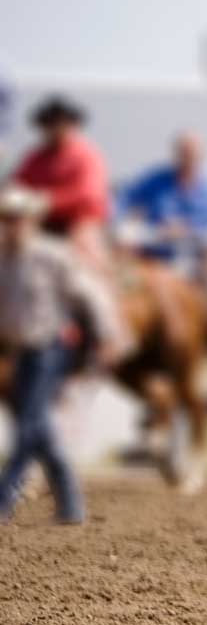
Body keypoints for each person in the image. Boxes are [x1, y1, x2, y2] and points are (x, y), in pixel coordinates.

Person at [0, 186, 121, 524]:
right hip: (22, 351)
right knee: (39, 427)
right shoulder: (3, 258)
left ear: (31, 221)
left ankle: (3, 500)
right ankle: (70, 503)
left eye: (16, 218)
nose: (10, 225)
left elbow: (91, 296)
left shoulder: (52, 256)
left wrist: (107, 336)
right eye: (6, 218)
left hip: (50, 349)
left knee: (27, 426)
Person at [12, 96, 112, 268]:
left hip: (78, 220)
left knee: (85, 254)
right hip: (39, 221)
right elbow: (18, 185)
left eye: (59, 123)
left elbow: (88, 193)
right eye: (49, 124)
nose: (54, 129)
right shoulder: (34, 157)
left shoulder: (86, 155)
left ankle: (92, 288)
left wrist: (48, 200)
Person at [118, 132, 207, 263]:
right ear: (176, 154)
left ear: (201, 157)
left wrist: (185, 228)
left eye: (192, 155)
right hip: (152, 255)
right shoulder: (156, 179)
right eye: (184, 154)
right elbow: (125, 196)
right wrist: (122, 226)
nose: (188, 160)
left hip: (193, 261)